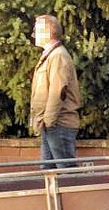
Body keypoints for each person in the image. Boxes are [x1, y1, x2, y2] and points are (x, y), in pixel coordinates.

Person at [29, 14, 81, 169]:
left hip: (58, 124)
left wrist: (48, 121)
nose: (34, 35)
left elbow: (57, 91)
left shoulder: (58, 56)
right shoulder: (51, 55)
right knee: (49, 172)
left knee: (66, 173)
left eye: (37, 31)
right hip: (51, 124)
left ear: (48, 31)